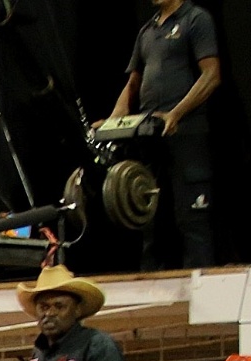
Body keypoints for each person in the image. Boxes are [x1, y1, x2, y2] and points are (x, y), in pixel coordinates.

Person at [103, 0, 222, 269]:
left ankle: (204, 292)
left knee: (193, 218)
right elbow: (133, 84)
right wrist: (113, 121)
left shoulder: (196, 19)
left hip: (187, 133)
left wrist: (176, 113)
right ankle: (151, 292)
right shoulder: (147, 30)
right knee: (148, 218)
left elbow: (212, 75)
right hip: (150, 137)